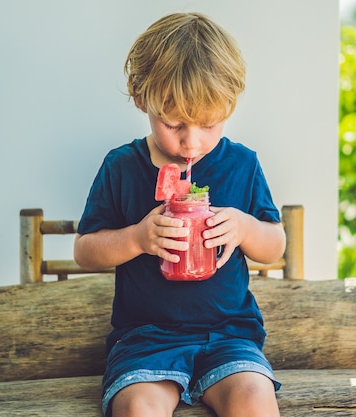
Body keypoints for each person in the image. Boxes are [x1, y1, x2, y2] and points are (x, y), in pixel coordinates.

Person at [74, 11, 285, 417]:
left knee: (255, 400)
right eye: (173, 124)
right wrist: (135, 238)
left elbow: (275, 245)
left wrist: (243, 227)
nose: (191, 142)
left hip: (229, 336)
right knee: (137, 407)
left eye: (209, 124)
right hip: (145, 339)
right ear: (141, 99)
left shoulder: (242, 164)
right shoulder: (120, 167)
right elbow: (85, 250)